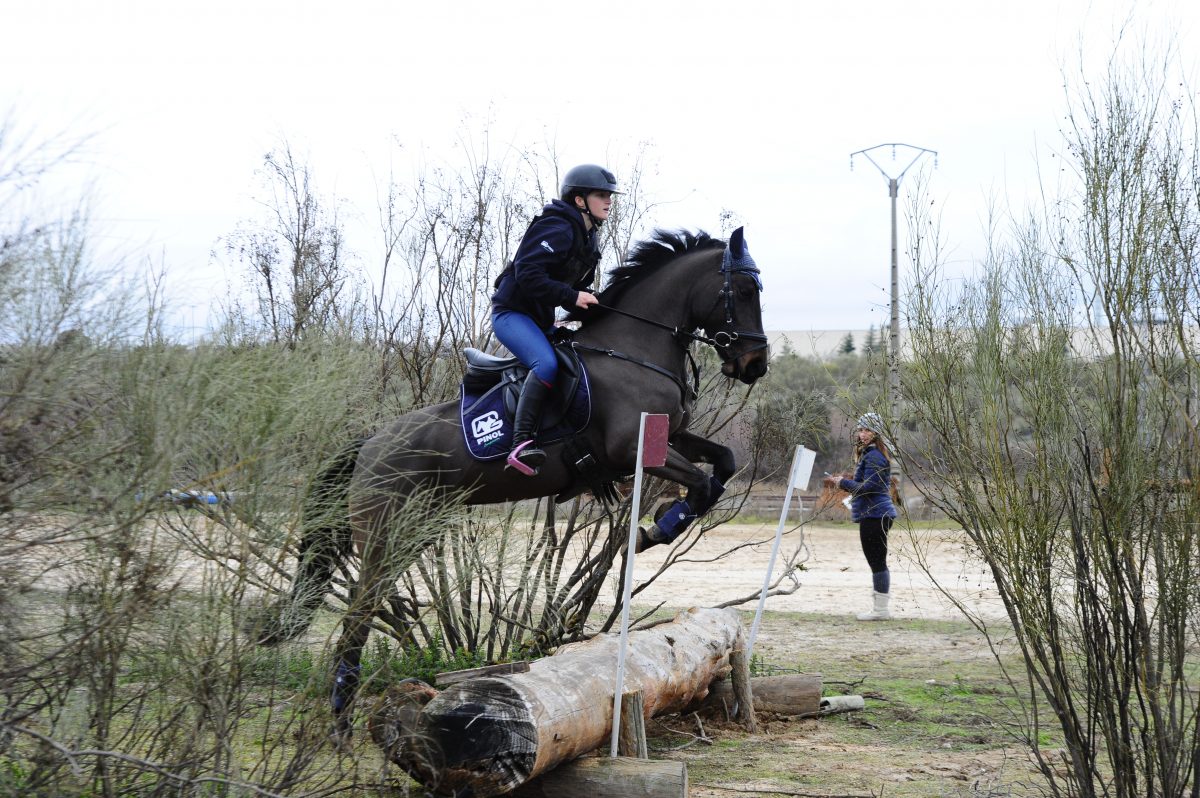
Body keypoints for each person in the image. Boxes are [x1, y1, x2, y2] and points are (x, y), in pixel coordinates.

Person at [490, 164, 619, 475]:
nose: (609, 201)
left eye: (610, 196)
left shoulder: (588, 238)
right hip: (511, 314)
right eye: (601, 195)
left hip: (540, 321)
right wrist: (572, 297)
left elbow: (567, 287)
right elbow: (527, 274)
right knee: (546, 365)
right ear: (579, 200)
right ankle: (520, 444)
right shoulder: (557, 227)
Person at [823, 412, 898, 620]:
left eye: (867, 430)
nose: (862, 434)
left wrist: (842, 483)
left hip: (875, 514)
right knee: (877, 562)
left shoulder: (873, 456)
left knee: (877, 562)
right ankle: (880, 609)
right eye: (861, 430)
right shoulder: (873, 453)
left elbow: (867, 488)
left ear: (876, 432)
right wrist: (845, 481)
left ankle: (880, 611)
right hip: (876, 513)